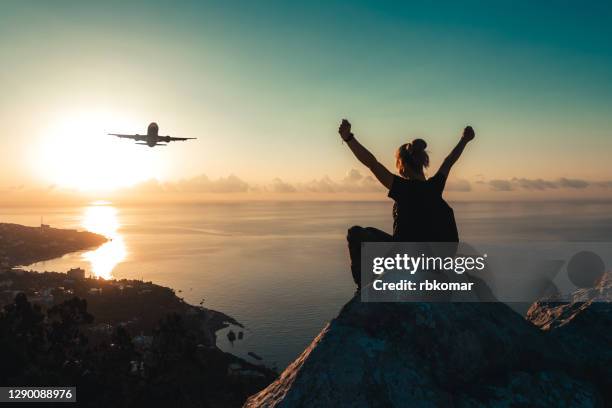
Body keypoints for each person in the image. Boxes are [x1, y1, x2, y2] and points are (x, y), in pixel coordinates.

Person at [339, 119, 476, 288]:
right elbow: (449, 161)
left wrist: (348, 138)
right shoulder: (434, 186)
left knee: (357, 233)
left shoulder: (402, 188)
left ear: (402, 165)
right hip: (435, 262)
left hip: (408, 260)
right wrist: (464, 139)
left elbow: (371, 163)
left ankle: (364, 288)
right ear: (423, 163)